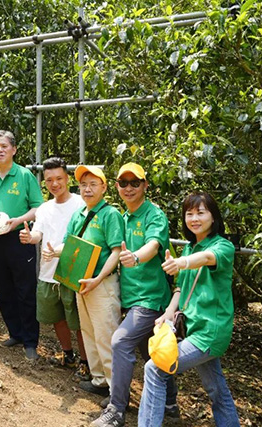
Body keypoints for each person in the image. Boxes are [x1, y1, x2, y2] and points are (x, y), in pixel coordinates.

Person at [138, 192, 240, 427]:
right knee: (216, 388)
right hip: (192, 329)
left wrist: (181, 263)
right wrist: (167, 313)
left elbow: (206, 258)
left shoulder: (223, 246)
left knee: (154, 369)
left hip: (210, 331)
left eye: (201, 213)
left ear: (213, 217)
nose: (194, 218)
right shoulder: (189, 248)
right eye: (189, 214)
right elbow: (179, 289)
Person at [91, 163, 178, 426]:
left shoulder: (155, 215)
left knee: (121, 342)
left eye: (134, 183)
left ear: (145, 185)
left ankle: (117, 409)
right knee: (150, 350)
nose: (128, 188)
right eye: (123, 183)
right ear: (116, 186)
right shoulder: (123, 216)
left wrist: (136, 257)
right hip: (131, 297)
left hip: (150, 298)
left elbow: (153, 245)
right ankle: (171, 404)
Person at [43, 165, 124, 397]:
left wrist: (98, 279)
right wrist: (54, 252)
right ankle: (99, 380)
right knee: (89, 333)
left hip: (102, 284)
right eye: (83, 185)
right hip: (82, 282)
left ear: (104, 187)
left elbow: (117, 251)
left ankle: (117, 393)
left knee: (106, 336)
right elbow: (70, 245)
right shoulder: (79, 214)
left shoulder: (110, 215)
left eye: (93, 184)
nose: (87, 189)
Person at [0, 130, 44, 360]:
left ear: (13, 150)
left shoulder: (24, 176)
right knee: (3, 289)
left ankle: (31, 341)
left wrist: (18, 222)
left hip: (19, 238)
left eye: (4, 146)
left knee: (25, 289)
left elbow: (37, 208)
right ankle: (16, 333)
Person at [19, 157, 90, 379]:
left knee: (78, 322)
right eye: (49, 180)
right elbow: (39, 233)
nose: (55, 183)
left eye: (59, 178)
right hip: (48, 272)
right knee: (57, 317)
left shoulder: (81, 204)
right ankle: (67, 354)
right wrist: (31, 238)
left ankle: (86, 362)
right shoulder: (44, 208)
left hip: (73, 272)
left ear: (67, 179)